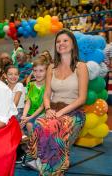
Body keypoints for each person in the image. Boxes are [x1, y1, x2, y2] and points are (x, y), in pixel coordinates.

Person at [27, 29, 88, 175]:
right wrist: (48, 109)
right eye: (58, 41)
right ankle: (42, 160)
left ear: (73, 44)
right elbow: (47, 94)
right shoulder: (51, 68)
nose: (61, 44)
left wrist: (59, 113)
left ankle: (52, 170)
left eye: (65, 40)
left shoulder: (81, 67)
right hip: (53, 109)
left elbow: (82, 99)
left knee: (55, 127)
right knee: (39, 123)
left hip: (73, 111)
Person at [20, 55, 50, 136]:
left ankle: (35, 144)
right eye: (35, 71)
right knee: (19, 122)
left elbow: (42, 107)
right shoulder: (31, 85)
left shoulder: (47, 87)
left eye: (41, 71)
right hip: (30, 113)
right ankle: (28, 143)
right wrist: (24, 116)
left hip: (40, 113)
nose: (38, 73)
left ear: (47, 71)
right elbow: (28, 102)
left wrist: (29, 118)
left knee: (30, 124)